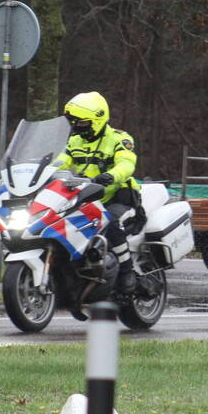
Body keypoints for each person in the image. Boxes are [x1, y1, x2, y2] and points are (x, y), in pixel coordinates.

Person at [56, 91, 143, 298]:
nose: (77, 127)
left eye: (82, 123)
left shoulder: (119, 139)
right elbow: (59, 163)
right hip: (86, 198)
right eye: (73, 122)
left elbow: (126, 163)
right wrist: (40, 172)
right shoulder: (74, 142)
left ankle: (126, 270)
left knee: (109, 221)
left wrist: (111, 176)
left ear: (98, 120)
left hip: (118, 196)